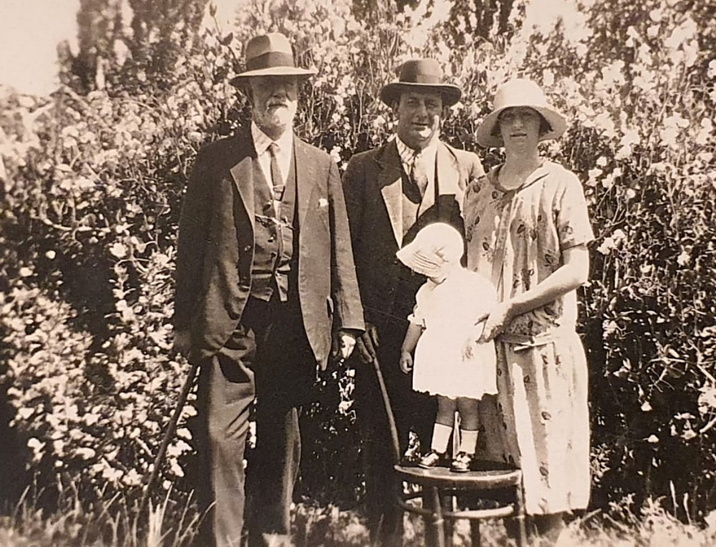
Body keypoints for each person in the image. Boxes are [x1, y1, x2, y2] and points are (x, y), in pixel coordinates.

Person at [173, 33, 364, 547]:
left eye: (284, 85)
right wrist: (183, 323)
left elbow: (337, 248)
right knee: (219, 438)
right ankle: (222, 539)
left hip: (295, 322)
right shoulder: (215, 162)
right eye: (265, 85)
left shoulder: (321, 166)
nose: (275, 94)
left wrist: (348, 321)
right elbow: (189, 247)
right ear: (249, 95)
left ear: (299, 95)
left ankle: (271, 536)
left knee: (281, 436)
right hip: (227, 323)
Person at [342, 59, 483, 544]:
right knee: (383, 438)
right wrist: (354, 323)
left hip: (445, 331)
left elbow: (478, 252)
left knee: (440, 437)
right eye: (412, 102)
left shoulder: (466, 167)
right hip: (381, 331)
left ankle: (440, 537)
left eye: (432, 103)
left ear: (443, 110)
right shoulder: (363, 169)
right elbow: (345, 253)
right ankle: (386, 537)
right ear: (395, 108)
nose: (422, 112)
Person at [464, 78, 594, 545]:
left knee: (548, 490)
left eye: (527, 117)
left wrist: (515, 305)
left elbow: (578, 268)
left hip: (542, 353)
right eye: (509, 117)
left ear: (542, 127)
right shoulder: (478, 191)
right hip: (488, 358)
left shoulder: (562, 185)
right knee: (504, 485)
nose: (518, 125)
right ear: (498, 129)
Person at [396, 223, 497, 473]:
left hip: (464, 356)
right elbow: (417, 321)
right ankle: (437, 449)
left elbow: (486, 316)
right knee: (444, 405)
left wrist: (473, 339)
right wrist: (406, 350)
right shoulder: (426, 291)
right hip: (440, 357)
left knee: (467, 405)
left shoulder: (473, 285)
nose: (427, 274)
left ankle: (466, 452)